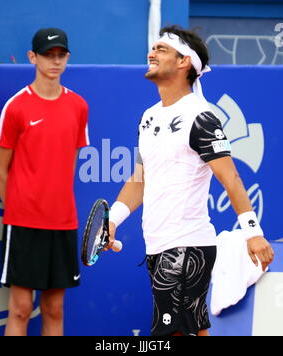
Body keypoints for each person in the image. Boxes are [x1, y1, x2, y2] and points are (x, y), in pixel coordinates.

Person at [107, 25, 274, 337]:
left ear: (184, 62)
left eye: (161, 49)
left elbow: (230, 177)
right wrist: (114, 219)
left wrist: (253, 232)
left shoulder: (200, 116)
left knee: (169, 335)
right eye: (152, 48)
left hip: (187, 247)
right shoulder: (149, 116)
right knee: (193, 331)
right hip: (159, 246)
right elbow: (140, 178)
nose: (151, 54)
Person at [0, 28, 89, 336]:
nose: (55, 61)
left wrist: (52, 204)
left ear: (68, 58)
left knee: (54, 309)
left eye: (61, 55)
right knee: (20, 309)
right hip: (23, 225)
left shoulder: (78, 107)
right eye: (48, 55)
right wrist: (20, 209)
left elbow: (68, 167)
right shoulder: (16, 106)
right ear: (33, 57)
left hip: (62, 223)